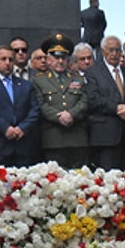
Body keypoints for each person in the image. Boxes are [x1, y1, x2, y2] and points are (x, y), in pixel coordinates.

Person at [0, 45, 40, 166]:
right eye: (3, 59)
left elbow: (34, 110)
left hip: (23, 147)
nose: (7, 63)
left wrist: (22, 128)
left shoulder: (26, 85)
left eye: (10, 59)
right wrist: (5, 128)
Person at [33, 34, 90, 169]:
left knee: (80, 177)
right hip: (53, 139)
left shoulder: (78, 79)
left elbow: (85, 101)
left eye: (63, 57)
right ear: (48, 59)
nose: (60, 61)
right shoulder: (39, 80)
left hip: (77, 138)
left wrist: (71, 114)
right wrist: (59, 117)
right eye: (56, 57)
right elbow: (40, 104)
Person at [85, 35, 125, 169]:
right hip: (106, 135)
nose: (114, 54)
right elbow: (93, 99)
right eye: (111, 50)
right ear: (103, 51)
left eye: (118, 50)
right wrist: (117, 108)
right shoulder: (93, 73)